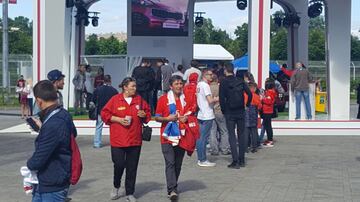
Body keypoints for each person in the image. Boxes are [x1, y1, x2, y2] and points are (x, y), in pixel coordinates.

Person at [101, 77, 151, 202]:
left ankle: (130, 192)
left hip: (135, 139)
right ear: (125, 87)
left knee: (132, 167)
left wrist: (144, 115)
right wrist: (118, 119)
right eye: (132, 86)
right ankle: (116, 186)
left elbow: (148, 114)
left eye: (135, 86)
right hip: (118, 140)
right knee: (119, 164)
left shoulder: (139, 100)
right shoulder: (115, 100)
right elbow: (104, 114)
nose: (135, 88)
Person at [27, 80, 77, 201]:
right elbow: (73, 133)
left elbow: (38, 159)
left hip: (53, 182)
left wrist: (29, 165)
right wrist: (43, 128)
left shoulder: (54, 124)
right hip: (46, 180)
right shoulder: (63, 113)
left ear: (39, 101)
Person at [155, 75, 200, 201]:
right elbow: (157, 117)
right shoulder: (163, 100)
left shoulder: (186, 99)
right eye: (176, 84)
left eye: (181, 84)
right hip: (167, 137)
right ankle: (172, 190)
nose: (179, 86)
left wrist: (186, 118)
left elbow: (191, 114)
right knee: (170, 162)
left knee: (178, 164)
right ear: (171, 86)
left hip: (182, 136)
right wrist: (167, 118)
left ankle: (174, 185)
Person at [219, 63, 252, 169]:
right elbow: (250, 94)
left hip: (229, 111)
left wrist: (224, 111)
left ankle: (235, 160)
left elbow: (221, 98)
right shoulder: (240, 80)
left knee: (232, 136)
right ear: (233, 70)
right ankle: (242, 160)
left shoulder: (223, 82)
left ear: (225, 70)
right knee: (241, 135)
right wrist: (247, 105)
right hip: (241, 110)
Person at [196, 68, 218, 167]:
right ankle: (202, 159)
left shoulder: (199, 84)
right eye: (209, 74)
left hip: (201, 113)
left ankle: (200, 158)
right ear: (205, 75)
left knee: (200, 137)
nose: (211, 76)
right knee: (203, 138)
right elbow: (210, 100)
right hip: (207, 114)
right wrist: (218, 98)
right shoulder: (205, 86)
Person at [92, 75, 118, 148]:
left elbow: (93, 100)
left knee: (98, 127)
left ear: (103, 80)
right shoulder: (114, 90)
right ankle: (115, 142)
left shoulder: (98, 89)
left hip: (100, 110)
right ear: (110, 80)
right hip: (110, 111)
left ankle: (97, 143)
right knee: (113, 127)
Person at [209, 71, 230, 156]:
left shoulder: (208, 88)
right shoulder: (220, 87)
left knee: (212, 131)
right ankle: (224, 149)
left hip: (211, 111)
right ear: (217, 79)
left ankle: (214, 150)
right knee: (224, 131)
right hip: (220, 111)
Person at [244, 82, 262, 153]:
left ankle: (245, 147)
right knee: (254, 131)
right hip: (253, 114)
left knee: (245, 132)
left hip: (245, 114)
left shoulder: (244, 95)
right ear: (254, 89)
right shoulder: (256, 96)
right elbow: (260, 106)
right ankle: (254, 147)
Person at [261, 79, 277, 147]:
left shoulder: (269, 92)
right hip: (268, 110)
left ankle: (270, 140)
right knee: (267, 126)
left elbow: (269, 101)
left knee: (268, 126)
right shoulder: (271, 92)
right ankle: (269, 139)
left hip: (267, 111)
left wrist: (262, 98)